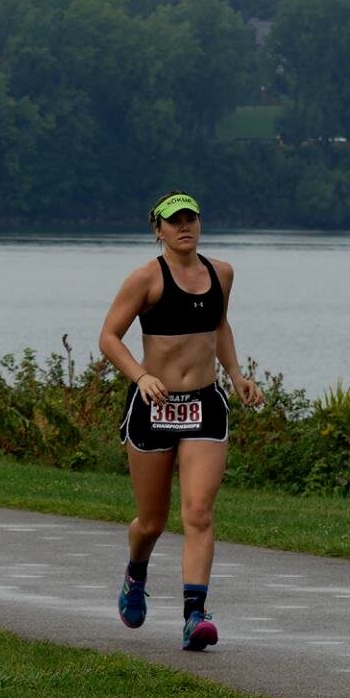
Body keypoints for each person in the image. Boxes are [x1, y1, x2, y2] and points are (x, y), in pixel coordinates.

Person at [98, 190, 264, 651]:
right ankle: (136, 574)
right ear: (158, 230)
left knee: (198, 512)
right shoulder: (145, 279)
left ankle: (195, 616)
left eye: (190, 218)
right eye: (174, 221)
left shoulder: (222, 274)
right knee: (152, 522)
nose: (184, 227)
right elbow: (109, 337)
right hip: (154, 409)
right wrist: (141, 375)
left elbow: (219, 325)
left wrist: (235, 374)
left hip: (204, 407)